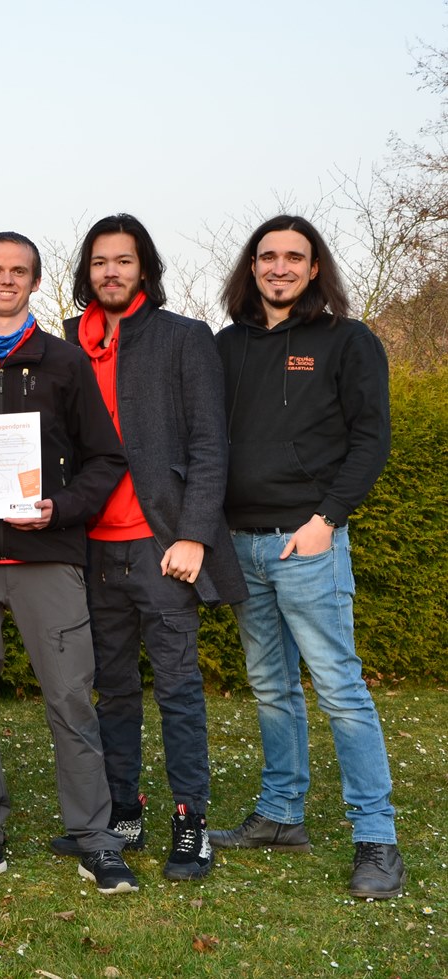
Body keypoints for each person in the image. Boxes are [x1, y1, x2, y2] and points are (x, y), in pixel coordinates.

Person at [0, 232, 139, 895]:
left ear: (36, 282)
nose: (7, 279)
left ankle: (95, 839)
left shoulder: (65, 363)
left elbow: (107, 458)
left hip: (47, 554)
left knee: (71, 697)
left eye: (19, 271)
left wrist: (62, 508)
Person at [208, 215, 404, 899]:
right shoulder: (226, 346)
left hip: (307, 542)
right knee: (270, 687)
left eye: (295, 256)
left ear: (315, 267)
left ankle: (376, 838)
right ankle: (281, 814)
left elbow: (370, 440)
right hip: (241, 543)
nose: (280, 267)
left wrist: (327, 520)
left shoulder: (348, 341)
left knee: (341, 691)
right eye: (268, 256)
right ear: (252, 265)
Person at [47, 215, 247, 881]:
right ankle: (123, 811)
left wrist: (193, 533)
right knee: (113, 690)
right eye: (100, 261)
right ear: (86, 271)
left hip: (162, 549)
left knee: (181, 691)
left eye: (123, 261)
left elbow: (210, 445)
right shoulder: (63, 349)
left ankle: (191, 823)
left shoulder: (184, 339)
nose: (111, 271)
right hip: (91, 551)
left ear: (144, 269)